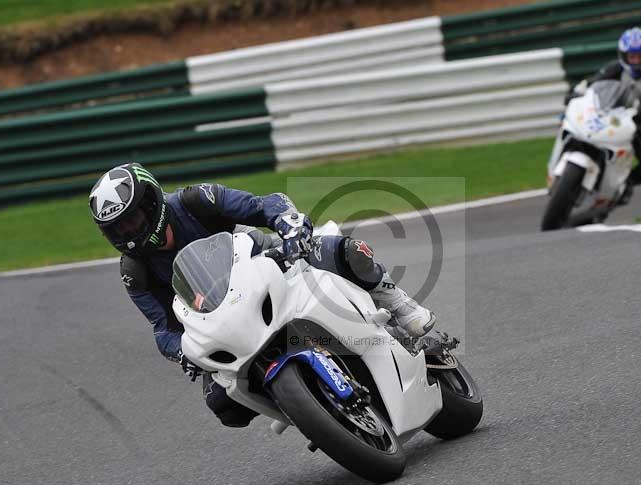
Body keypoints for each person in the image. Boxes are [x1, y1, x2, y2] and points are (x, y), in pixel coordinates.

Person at [89, 162, 436, 427]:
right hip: (218, 318)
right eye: (118, 228)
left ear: (152, 204)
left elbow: (261, 205)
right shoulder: (134, 272)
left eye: (132, 220)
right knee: (223, 406)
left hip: (264, 264)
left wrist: (287, 223)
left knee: (342, 250)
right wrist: (182, 352)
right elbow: (163, 328)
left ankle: (397, 303)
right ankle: (304, 405)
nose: (129, 232)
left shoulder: (195, 200)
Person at [569, 27, 641, 204]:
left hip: (639, 126)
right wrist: (577, 93)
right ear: (623, 55)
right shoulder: (615, 68)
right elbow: (593, 83)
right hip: (607, 115)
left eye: (640, 56)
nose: (635, 61)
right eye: (631, 56)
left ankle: (626, 185)